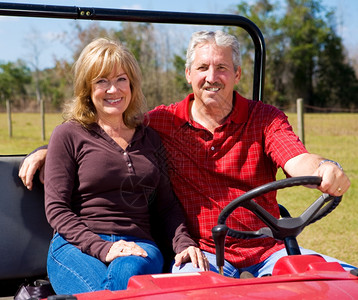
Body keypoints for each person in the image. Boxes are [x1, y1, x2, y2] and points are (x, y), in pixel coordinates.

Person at [19, 31, 355, 279]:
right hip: (204, 253)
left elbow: (296, 159)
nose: (212, 77)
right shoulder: (165, 121)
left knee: (341, 280)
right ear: (188, 75)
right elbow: (107, 130)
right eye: (203, 68)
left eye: (222, 68)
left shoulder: (266, 119)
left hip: (268, 249)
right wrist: (51, 149)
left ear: (237, 74)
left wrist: (325, 167)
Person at [29, 37, 207, 295]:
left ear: (132, 85)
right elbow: (57, 209)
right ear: (87, 90)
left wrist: (183, 243)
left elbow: (166, 206)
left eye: (121, 79)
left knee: (126, 268)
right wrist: (104, 248)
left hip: (139, 247)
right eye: (102, 81)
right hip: (76, 246)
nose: (113, 90)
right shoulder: (68, 134)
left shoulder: (150, 138)